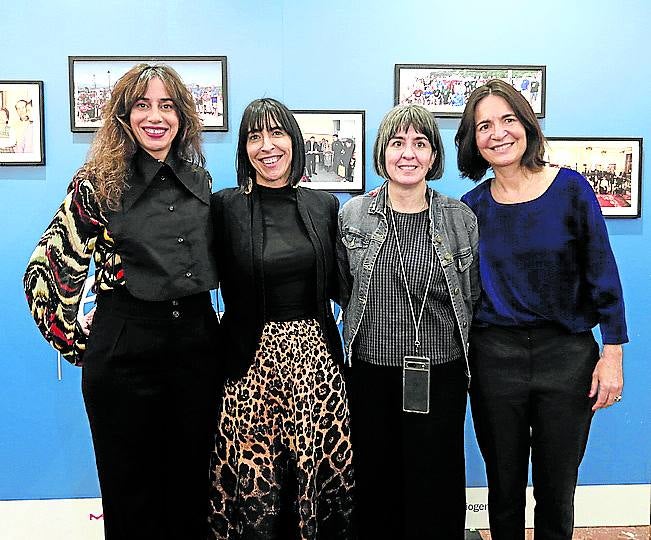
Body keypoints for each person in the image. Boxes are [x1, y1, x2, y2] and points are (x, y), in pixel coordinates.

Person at [23, 64, 221, 540]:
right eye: (143, 105)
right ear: (124, 115)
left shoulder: (201, 179)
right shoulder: (97, 182)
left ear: (183, 116)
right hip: (126, 348)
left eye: (167, 106)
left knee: (194, 493)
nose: (156, 117)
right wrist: (75, 340)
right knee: (131, 496)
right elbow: (46, 269)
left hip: (196, 347)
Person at [455, 79, 628, 540]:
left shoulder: (572, 189)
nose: (498, 133)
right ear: (474, 140)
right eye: (484, 125)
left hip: (566, 358)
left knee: (557, 488)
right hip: (494, 360)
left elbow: (603, 274)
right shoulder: (470, 210)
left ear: (527, 126)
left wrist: (612, 355)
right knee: (503, 486)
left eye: (508, 120)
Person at [208, 98, 354, 539]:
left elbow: (344, 285)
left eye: (277, 134)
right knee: (256, 487)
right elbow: (188, 268)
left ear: (294, 140)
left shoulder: (324, 205)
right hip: (248, 365)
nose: (267, 146)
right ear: (243, 148)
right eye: (255, 136)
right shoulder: (224, 207)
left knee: (317, 478)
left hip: (317, 366)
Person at [338, 104, 479, 539]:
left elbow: (471, 294)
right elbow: (344, 288)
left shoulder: (460, 219)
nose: (408, 154)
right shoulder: (351, 216)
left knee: (435, 484)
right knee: (376, 484)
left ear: (433, 156)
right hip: (370, 372)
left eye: (420, 143)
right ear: (382, 153)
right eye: (397, 143)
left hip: (440, 373)